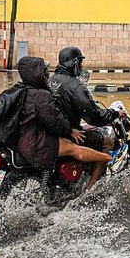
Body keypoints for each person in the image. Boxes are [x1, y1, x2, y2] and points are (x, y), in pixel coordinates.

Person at [15, 56, 112, 188]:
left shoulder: (20, 90)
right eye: (44, 73)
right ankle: (92, 185)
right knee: (75, 147)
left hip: (22, 139)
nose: (46, 75)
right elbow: (54, 119)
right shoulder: (41, 95)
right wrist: (71, 131)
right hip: (35, 141)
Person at [49, 46, 126, 188]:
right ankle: (91, 188)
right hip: (69, 133)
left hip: (53, 131)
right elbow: (94, 117)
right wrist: (114, 113)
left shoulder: (51, 80)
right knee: (107, 141)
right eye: (80, 62)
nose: (82, 65)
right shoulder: (75, 86)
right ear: (74, 63)